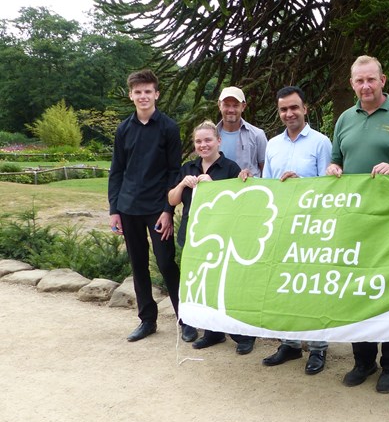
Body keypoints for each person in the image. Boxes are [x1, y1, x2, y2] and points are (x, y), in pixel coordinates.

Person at [325, 55, 389, 394]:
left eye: (371, 79)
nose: (365, 86)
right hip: (353, 223)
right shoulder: (344, 120)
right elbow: (336, 160)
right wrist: (333, 169)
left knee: (387, 289)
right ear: (352, 84)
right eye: (359, 81)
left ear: (383, 80)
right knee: (356, 292)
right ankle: (363, 360)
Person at [259, 86, 333, 375]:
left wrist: (301, 182)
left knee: (312, 287)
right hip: (282, 227)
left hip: (312, 226)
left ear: (305, 109)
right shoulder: (272, 144)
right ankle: (289, 343)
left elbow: (331, 187)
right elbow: (267, 186)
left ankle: (317, 348)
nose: (289, 113)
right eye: (283, 109)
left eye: (294, 108)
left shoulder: (321, 142)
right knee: (284, 284)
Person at [167, 121, 257, 355]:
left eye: (208, 140)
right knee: (203, 284)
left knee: (228, 286)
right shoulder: (188, 167)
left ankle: (243, 335)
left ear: (218, 141)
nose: (203, 145)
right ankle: (212, 332)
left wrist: (213, 185)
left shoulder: (230, 167)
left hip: (222, 236)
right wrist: (182, 184)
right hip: (193, 236)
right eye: (198, 141)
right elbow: (172, 200)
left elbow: (240, 200)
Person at [108, 69, 183, 342]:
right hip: (128, 206)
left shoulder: (169, 128)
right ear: (131, 95)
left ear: (156, 94)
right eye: (138, 92)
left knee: (166, 263)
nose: (143, 96)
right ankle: (147, 320)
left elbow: (174, 172)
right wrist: (113, 209)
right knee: (138, 264)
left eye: (148, 91)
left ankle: (185, 318)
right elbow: (116, 170)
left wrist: (168, 210)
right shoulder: (123, 129)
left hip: (157, 207)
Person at [216, 86, 268, 178]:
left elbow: (266, 170)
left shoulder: (257, 135)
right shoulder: (211, 136)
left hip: (249, 190)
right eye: (226, 105)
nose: (231, 110)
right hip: (219, 191)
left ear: (243, 107)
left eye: (236, 105)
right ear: (219, 105)